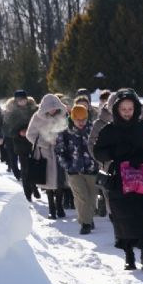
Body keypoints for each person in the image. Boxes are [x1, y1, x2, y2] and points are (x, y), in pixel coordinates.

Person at [93, 88, 143, 271]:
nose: (127, 112)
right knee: (124, 217)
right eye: (123, 109)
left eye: (130, 109)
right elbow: (98, 152)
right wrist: (115, 152)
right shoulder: (109, 130)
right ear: (116, 109)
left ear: (136, 109)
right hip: (119, 180)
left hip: (142, 178)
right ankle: (129, 255)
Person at [56, 98, 100, 235]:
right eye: (78, 120)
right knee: (81, 197)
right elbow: (60, 151)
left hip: (92, 169)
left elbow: (100, 148)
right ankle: (85, 223)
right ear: (72, 118)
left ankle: (89, 218)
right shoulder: (65, 131)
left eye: (83, 119)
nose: (81, 122)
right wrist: (68, 165)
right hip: (74, 170)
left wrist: (99, 162)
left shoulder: (93, 129)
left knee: (92, 197)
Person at [25, 94, 70, 219]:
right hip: (45, 153)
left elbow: (68, 131)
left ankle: (59, 207)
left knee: (60, 180)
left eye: (54, 107)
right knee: (48, 181)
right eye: (49, 108)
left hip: (60, 151)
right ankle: (51, 208)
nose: (52, 110)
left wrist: (63, 142)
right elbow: (30, 134)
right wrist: (44, 143)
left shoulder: (64, 115)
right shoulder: (37, 117)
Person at [0, 89, 37, 180]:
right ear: (16, 100)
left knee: (33, 160)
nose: (22, 101)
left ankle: (32, 178)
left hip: (32, 138)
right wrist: (18, 132)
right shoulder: (11, 112)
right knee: (16, 159)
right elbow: (7, 128)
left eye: (23, 99)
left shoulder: (33, 109)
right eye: (19, 100)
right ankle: (20, 176)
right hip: (17, 140)